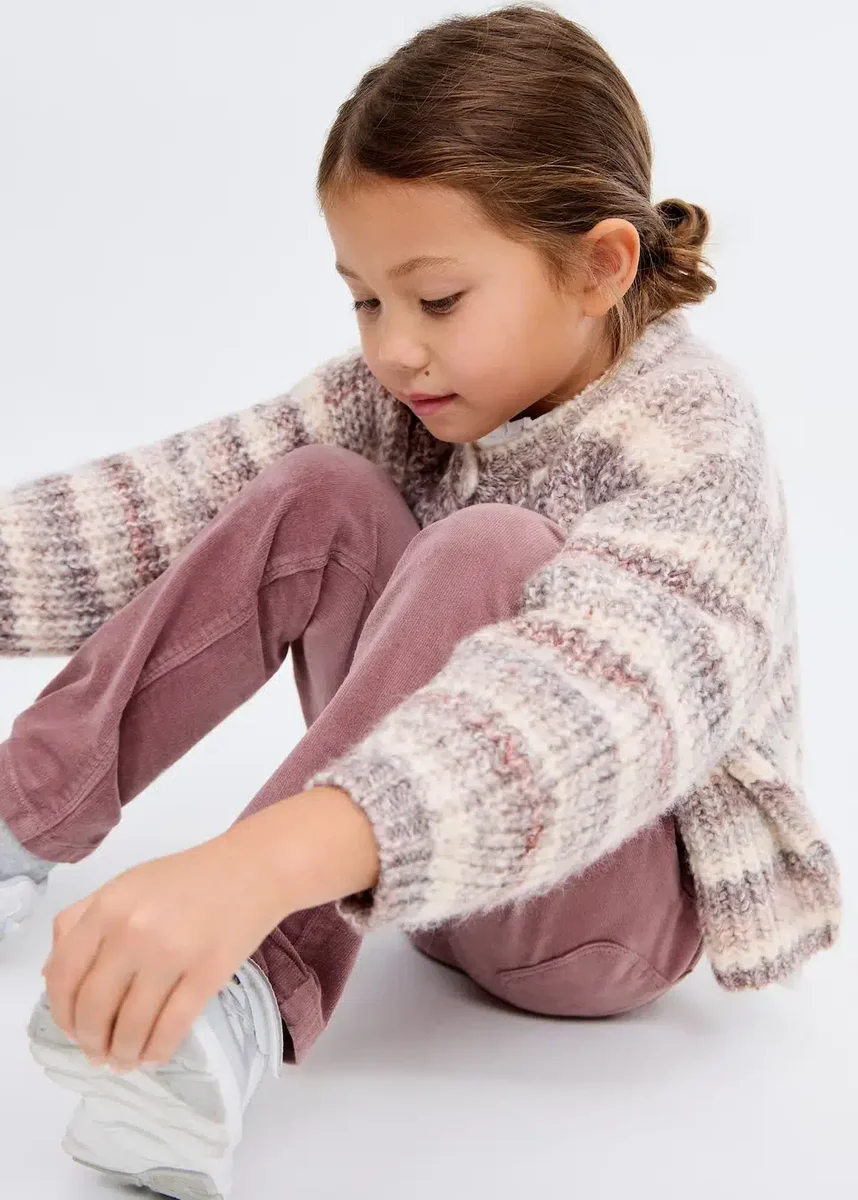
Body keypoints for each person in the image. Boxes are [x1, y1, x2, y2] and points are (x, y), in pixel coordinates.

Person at [0, 4, 841, 1198]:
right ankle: (18, 815)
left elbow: (589, 702)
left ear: (600, 266)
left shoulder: (691, 444)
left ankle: (245, 992)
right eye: (365, 300)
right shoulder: (405, 395)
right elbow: (167, 502)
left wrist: (248, 871)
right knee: (315, 491)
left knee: (490, 548)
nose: (394, 349)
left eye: (436, 299)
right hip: (409, 864)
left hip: (598, 918)